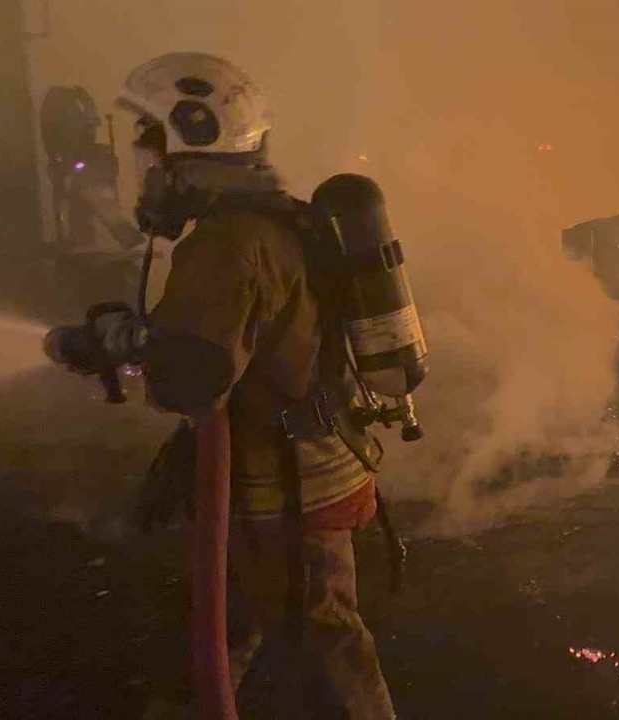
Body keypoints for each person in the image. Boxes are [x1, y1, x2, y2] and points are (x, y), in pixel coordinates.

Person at [89, 52, 398, 718]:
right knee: (233, 613)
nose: (142, 169)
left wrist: (123, 345)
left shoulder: (227, 245)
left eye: (149, 148)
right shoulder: (273, 220)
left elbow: (191, 379)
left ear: (188, 145)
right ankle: (197, 698)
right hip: (299, 462)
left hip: (283, 487)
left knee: (325, 642)